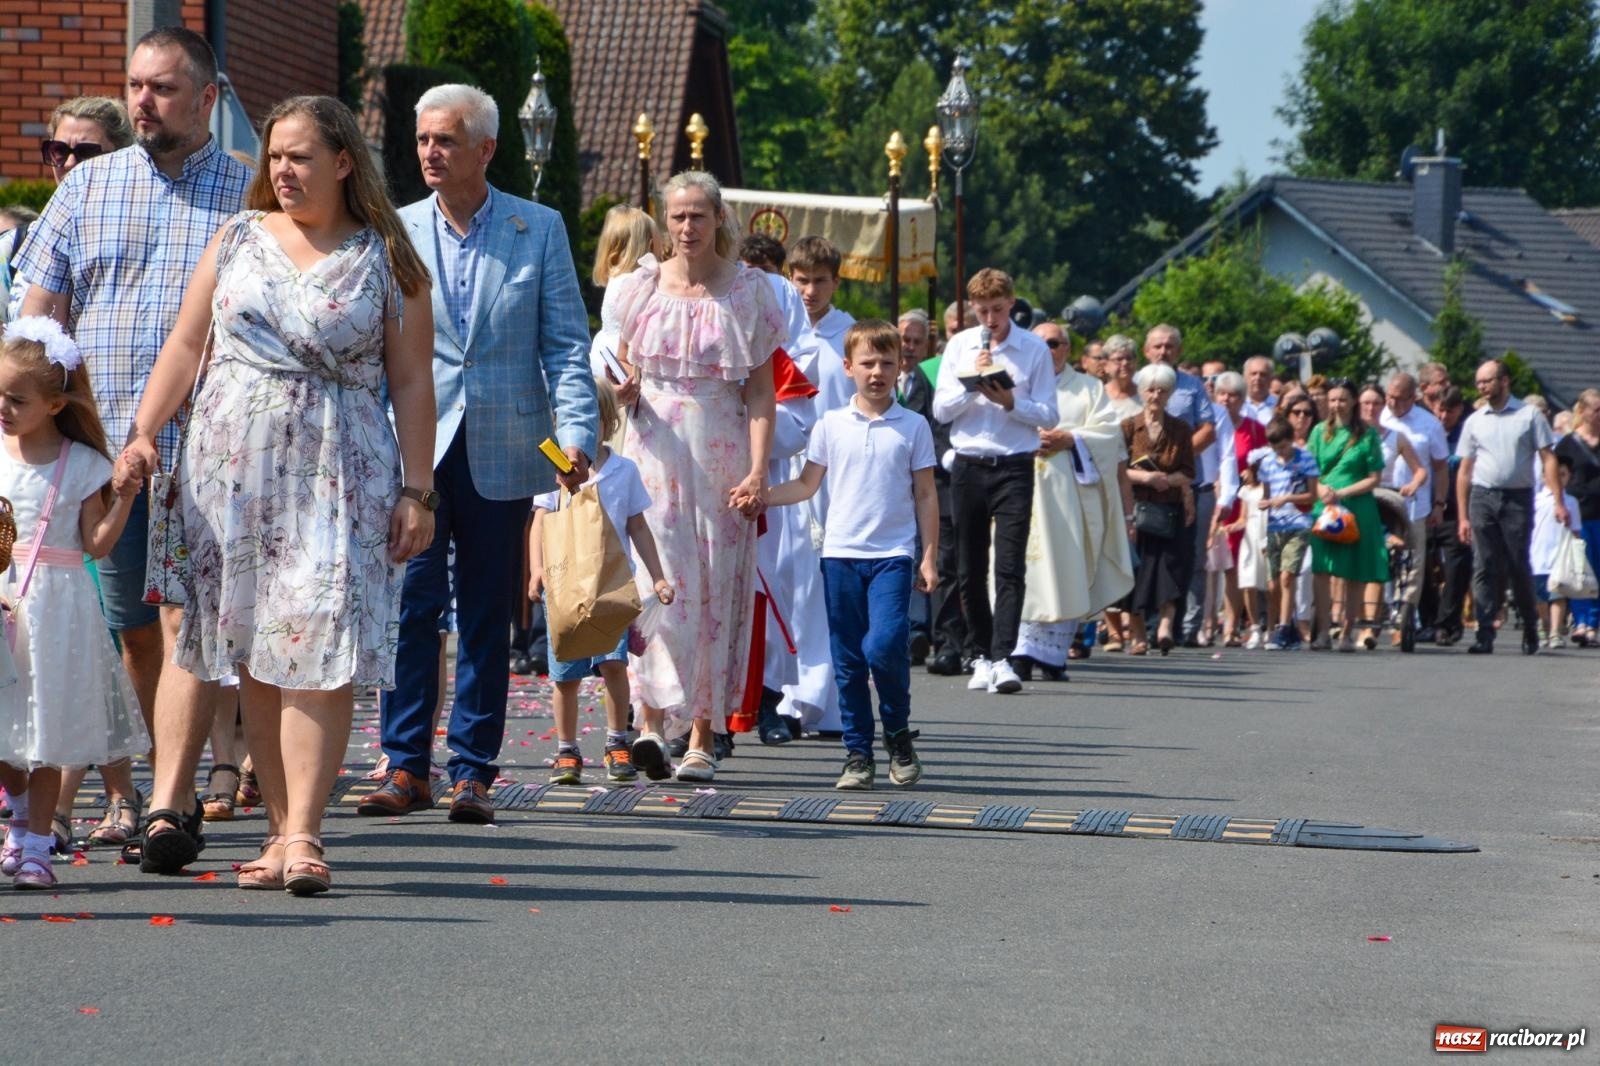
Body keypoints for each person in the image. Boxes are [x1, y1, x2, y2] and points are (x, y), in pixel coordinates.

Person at [123, 96, 437, 894]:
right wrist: (142, 433)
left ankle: (304, 835)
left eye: (300, 156)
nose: (283, 170)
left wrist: (418, 490)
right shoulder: (235, 241)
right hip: (229, 475)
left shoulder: (386, 259)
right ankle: (275, 835)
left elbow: (411, 380)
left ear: (343, 162)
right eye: (275, 156)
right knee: (257, 649)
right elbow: (187, 345)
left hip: (340, 471)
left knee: (320, 646)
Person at [18, 26, 251, 874]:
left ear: (208, 99)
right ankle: (171, 778)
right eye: (135, 87)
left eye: (160, 88)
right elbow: (38, 320)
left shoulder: (249, 193)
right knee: (135, 630)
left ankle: (170, 798)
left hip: (213, 446)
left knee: (195, 622)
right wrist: (33, 416)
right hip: (109, 449)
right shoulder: (87, 191)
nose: (142, 102)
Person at [358, 84, 596, 824]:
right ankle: (404, 766)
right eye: (424, 139)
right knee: (412, 605)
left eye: (447, 140)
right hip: (416, 450)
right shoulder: (393, 230)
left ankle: (474, 770)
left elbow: (564, 345)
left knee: (489, 612)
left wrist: (578, 432)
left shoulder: (539, 228)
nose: (430, 152)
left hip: (503, 444)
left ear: (486, 149)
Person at [611, 170, 783, 783]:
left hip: (720, 448)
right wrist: (623, 391)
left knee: (712, 584)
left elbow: (761, 393)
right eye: (677, 216)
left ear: (718, 220)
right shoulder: (638, 290)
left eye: (698, 216)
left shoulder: (749, 293)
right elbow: (618, 377)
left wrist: (760, 470)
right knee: (659, 581)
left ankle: (703, 736)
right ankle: (652, 725)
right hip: (652, 445)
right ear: (665, 222)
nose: (687, 227)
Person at [10, 97, 141, 847]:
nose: (65, 165)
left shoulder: (123, 217)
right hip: (33, 449)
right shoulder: (37, 236)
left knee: (101, 652)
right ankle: (45, 814)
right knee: (35, 681)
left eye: (83, 154)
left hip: (91, 453)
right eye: (56, 150)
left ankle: (121, 795)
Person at [0, 318, 148, 889]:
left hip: (58, 609)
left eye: (17, 399)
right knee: (7, 741)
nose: (5, 408)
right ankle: (17, 818)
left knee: (44, 738)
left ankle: (36, 847)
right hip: (6, 601)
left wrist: (125, 499)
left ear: (56, 403)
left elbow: (95, 544)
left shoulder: (80, 465)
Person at [765, 320, 938, 790]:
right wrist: (760, 495)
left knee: (882, 646)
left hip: (893, 556)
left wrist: (928, 556)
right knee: (848, 661)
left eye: (887, 363)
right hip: (840, 554)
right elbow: (805, 484)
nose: (877, 372)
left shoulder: (914, 426)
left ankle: (898, 734)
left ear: (901, 367)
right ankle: (858, 754)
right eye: (867, 363)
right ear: (848, 368)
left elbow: (925, 494)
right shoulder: (830, 425)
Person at [529, 378, 673, 784]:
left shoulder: (623, 471)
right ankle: (566, 749)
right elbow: (540, 521)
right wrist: (536, 570)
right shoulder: (554, 470)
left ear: (607, 422)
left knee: (614, 664)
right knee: (566, 675)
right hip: (564, 587)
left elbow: (639, 528)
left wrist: (658, 577)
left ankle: (616, 742)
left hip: (611, 587)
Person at [931, 268, 1059, 693]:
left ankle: (1005, 656)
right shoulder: (960, 345)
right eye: (982, 311)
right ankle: (979, 653)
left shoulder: (1033, 348)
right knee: (968, 566)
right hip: (968, 463)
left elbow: (1049, 413)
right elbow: (942, 410)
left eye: (998, 310)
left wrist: (1010, 402)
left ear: (1012, 304)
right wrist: (974, 383)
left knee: (1008, 565)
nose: (990, 319)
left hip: (1013, 464)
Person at [1013, 319, 1132, 677]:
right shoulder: (1016, 383)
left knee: (1065, 568)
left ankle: (1052, 655)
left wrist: (1071, 439)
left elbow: (1109, 437)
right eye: (1041, 343)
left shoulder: (1088, 388)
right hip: (1021, 490)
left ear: (1067, 348)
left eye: (1055, 343)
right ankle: (1018, 652)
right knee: (1023, 569)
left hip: (1070, 500)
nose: (1048, 350)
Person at [1456, 359, 1566, 655]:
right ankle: (1484, 631)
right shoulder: (1475, 420)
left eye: (1487, 380)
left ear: (1504, 381)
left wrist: (1558, 500)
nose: (1481, 386)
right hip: (1483, 495)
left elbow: (1548, 459)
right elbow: (1465, 470)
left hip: (1517, 498)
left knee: (1518, 564)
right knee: (1484, 563)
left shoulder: (1529, 415)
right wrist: (1463, 516)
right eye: (1479, 381)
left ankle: (1531, 626)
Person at [1139, 325, 1216, 646]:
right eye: (1157, 346)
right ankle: (1143, 625)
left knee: (1180, 555)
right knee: (1142, 554)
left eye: (1170, 346)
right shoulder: (1136, 383)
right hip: (1141, 483)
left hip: (1183, 484)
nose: (1163, 351)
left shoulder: (1192, 385)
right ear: (1146, 351)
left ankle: (1177, 626)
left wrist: (1176, 458)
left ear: (1179, 351)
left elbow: (1208, 429)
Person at [1307, 379, 1389, 652]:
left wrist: (1341, 493)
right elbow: (1309, 470)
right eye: (1332, 399)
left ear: (1353, 402)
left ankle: (1345, 632)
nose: (1336, 405)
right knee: (1322, 570)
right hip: (1324, 507)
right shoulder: (1319, 432)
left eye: (1342, 399)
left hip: (1356, 507)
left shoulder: (1367, 434)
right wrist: (1321, 490)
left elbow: (1374, 477)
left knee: (1353, 571)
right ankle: (1322, 632)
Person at [1120, 363, 1195, 655]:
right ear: (1141, 392)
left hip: (1169, 510)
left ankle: (1164, 627)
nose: (1156, 395)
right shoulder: (1128, 427)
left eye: (1162, 390)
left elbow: (1189, 471)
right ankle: (1138, 636)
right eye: (1150, 389)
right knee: (1137, 572)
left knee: (1170, 569)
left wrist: (1168, 480)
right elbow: (1118, 470)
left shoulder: (1180, 429)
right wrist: (1146, 477)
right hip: (1136, 509)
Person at [1380, 372, 1450, 642]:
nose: (1393, 403)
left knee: (1413, 563)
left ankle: (1404, 615)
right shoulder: (1378, 419)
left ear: (1413, 397)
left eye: (1399, 399)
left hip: (1413, 504)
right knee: (1382, 558)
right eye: (1390, 397)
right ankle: (1375, 614)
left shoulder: (1428, 424)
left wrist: (1439, 504)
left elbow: (1441, 467)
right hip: (1380, 500)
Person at [1250, 418, 1320, 650]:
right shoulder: (1268, 463)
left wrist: (1287, 498)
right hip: (1275, 526)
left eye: (1283, 447)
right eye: (1275, 448)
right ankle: (1287, 627)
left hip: (1298, 523)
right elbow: (1267, 495)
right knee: (1272, 585)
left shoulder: (1305, 459)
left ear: (1291, 441)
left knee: (1287, 577)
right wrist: (1265, 503)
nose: (1279, 452)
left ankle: (1282, 629)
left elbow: (1312, 495)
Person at [1210, 372, 1268, 646]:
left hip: (1242, 504)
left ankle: (1231, 626)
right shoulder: (1208, 426)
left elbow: (1266, 464)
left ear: (1242, 399)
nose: (1226, 399)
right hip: (1215, 500)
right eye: (1222, 393)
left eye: (1233, 395)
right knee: (1210, 564)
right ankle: (1206, 624)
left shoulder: (1255, 429)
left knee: (1234, 566)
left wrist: (1251, 472)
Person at [1554, 388, 1600, 646]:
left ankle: (1593, 622)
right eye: (1597, 411)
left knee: (1599, 570)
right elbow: (1555, 476)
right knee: (1579, 570)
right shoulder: (1568, 444)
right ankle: (1581, 621)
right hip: (1577, 516)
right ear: (1583, 412)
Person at [789, 236, 854, 415]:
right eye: (803, 280)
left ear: (835, 282)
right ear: (790, 279)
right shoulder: (775, 333)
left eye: (819, 281)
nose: (810, 291)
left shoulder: (854, 338)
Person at [1530, 455, 1582, 647]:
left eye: (1563, 475)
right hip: (1538, 556)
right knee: (1540, 597)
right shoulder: (1536, 500)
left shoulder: (1571, 502)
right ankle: (1543, 624)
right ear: (1544, 476)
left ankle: (1555, 631)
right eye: (1554, 474)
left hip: (1561, 557)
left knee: (1558, 596)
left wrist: (1577, 557)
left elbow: (1576, 530)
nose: (1559, 479)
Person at [1242, 356, 1278, 425]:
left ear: (1271, 378)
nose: (1258, 378)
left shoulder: (1278, 405)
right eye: (1253, 374)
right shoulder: (1237, 405)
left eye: (1263, 374)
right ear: (1244, 377)